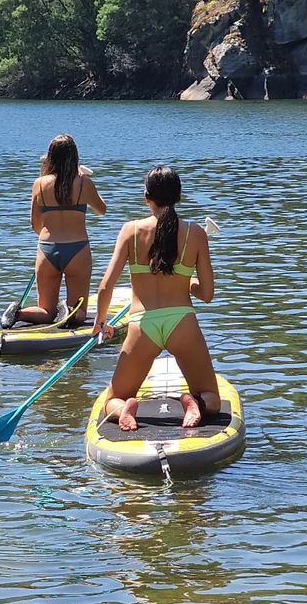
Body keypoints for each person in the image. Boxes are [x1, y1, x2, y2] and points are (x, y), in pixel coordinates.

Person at [91, 165, 220, 432]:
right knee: (213, 399)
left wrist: (101, 322)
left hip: (142, 324)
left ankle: (125, 409)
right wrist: (185, 282)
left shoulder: (130, 230)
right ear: (178, 196)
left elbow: (105, 287)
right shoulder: (196, 233)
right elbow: (207, 294)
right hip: (182, 323)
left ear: (146, 197)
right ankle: (195, 403)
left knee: (111, 401)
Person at [1, 134, 106, 329]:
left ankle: (18, 313)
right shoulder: (83, 183)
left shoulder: (39, 184)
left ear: (50, 157)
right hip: (77, 250)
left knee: (46, 312)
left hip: (47, 249)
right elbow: (101, 210)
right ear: (74, 157)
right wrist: (87, 181)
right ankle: (68, 310)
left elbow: (35, 224)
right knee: (79, 313)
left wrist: (50, 238)